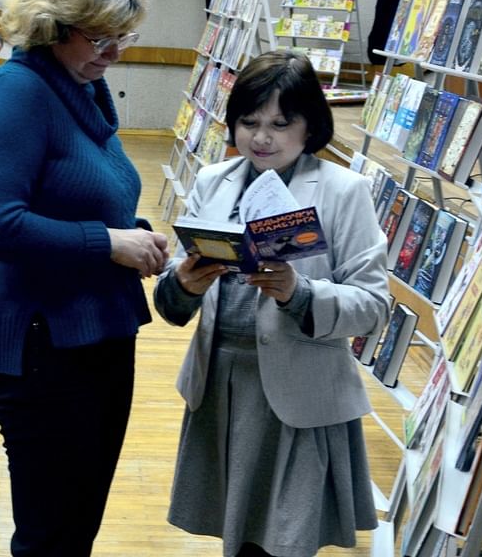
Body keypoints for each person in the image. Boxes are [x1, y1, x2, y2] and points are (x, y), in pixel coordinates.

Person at [0, 0, 166, 556]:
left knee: (75, 526)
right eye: (100, 35)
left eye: (123, 35)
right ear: (54, 23)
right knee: (51, 533)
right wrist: (109, 243)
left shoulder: (80, 86)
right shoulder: (19, 90)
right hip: (44, 346)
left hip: (98, 335)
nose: (114, 51)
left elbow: (81, 193)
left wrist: (135, 231)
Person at [153, 50, 389, 557]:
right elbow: (172, 303)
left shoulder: (343, 191)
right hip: (220, 387)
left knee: (286, 540)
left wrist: (297, 292)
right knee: (237, 539)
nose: (262, 137)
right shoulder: (214, 182)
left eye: (281, 123)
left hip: (299, 393)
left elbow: (372, 304)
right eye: (249, 121)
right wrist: (188, 284)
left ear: (310, 127)